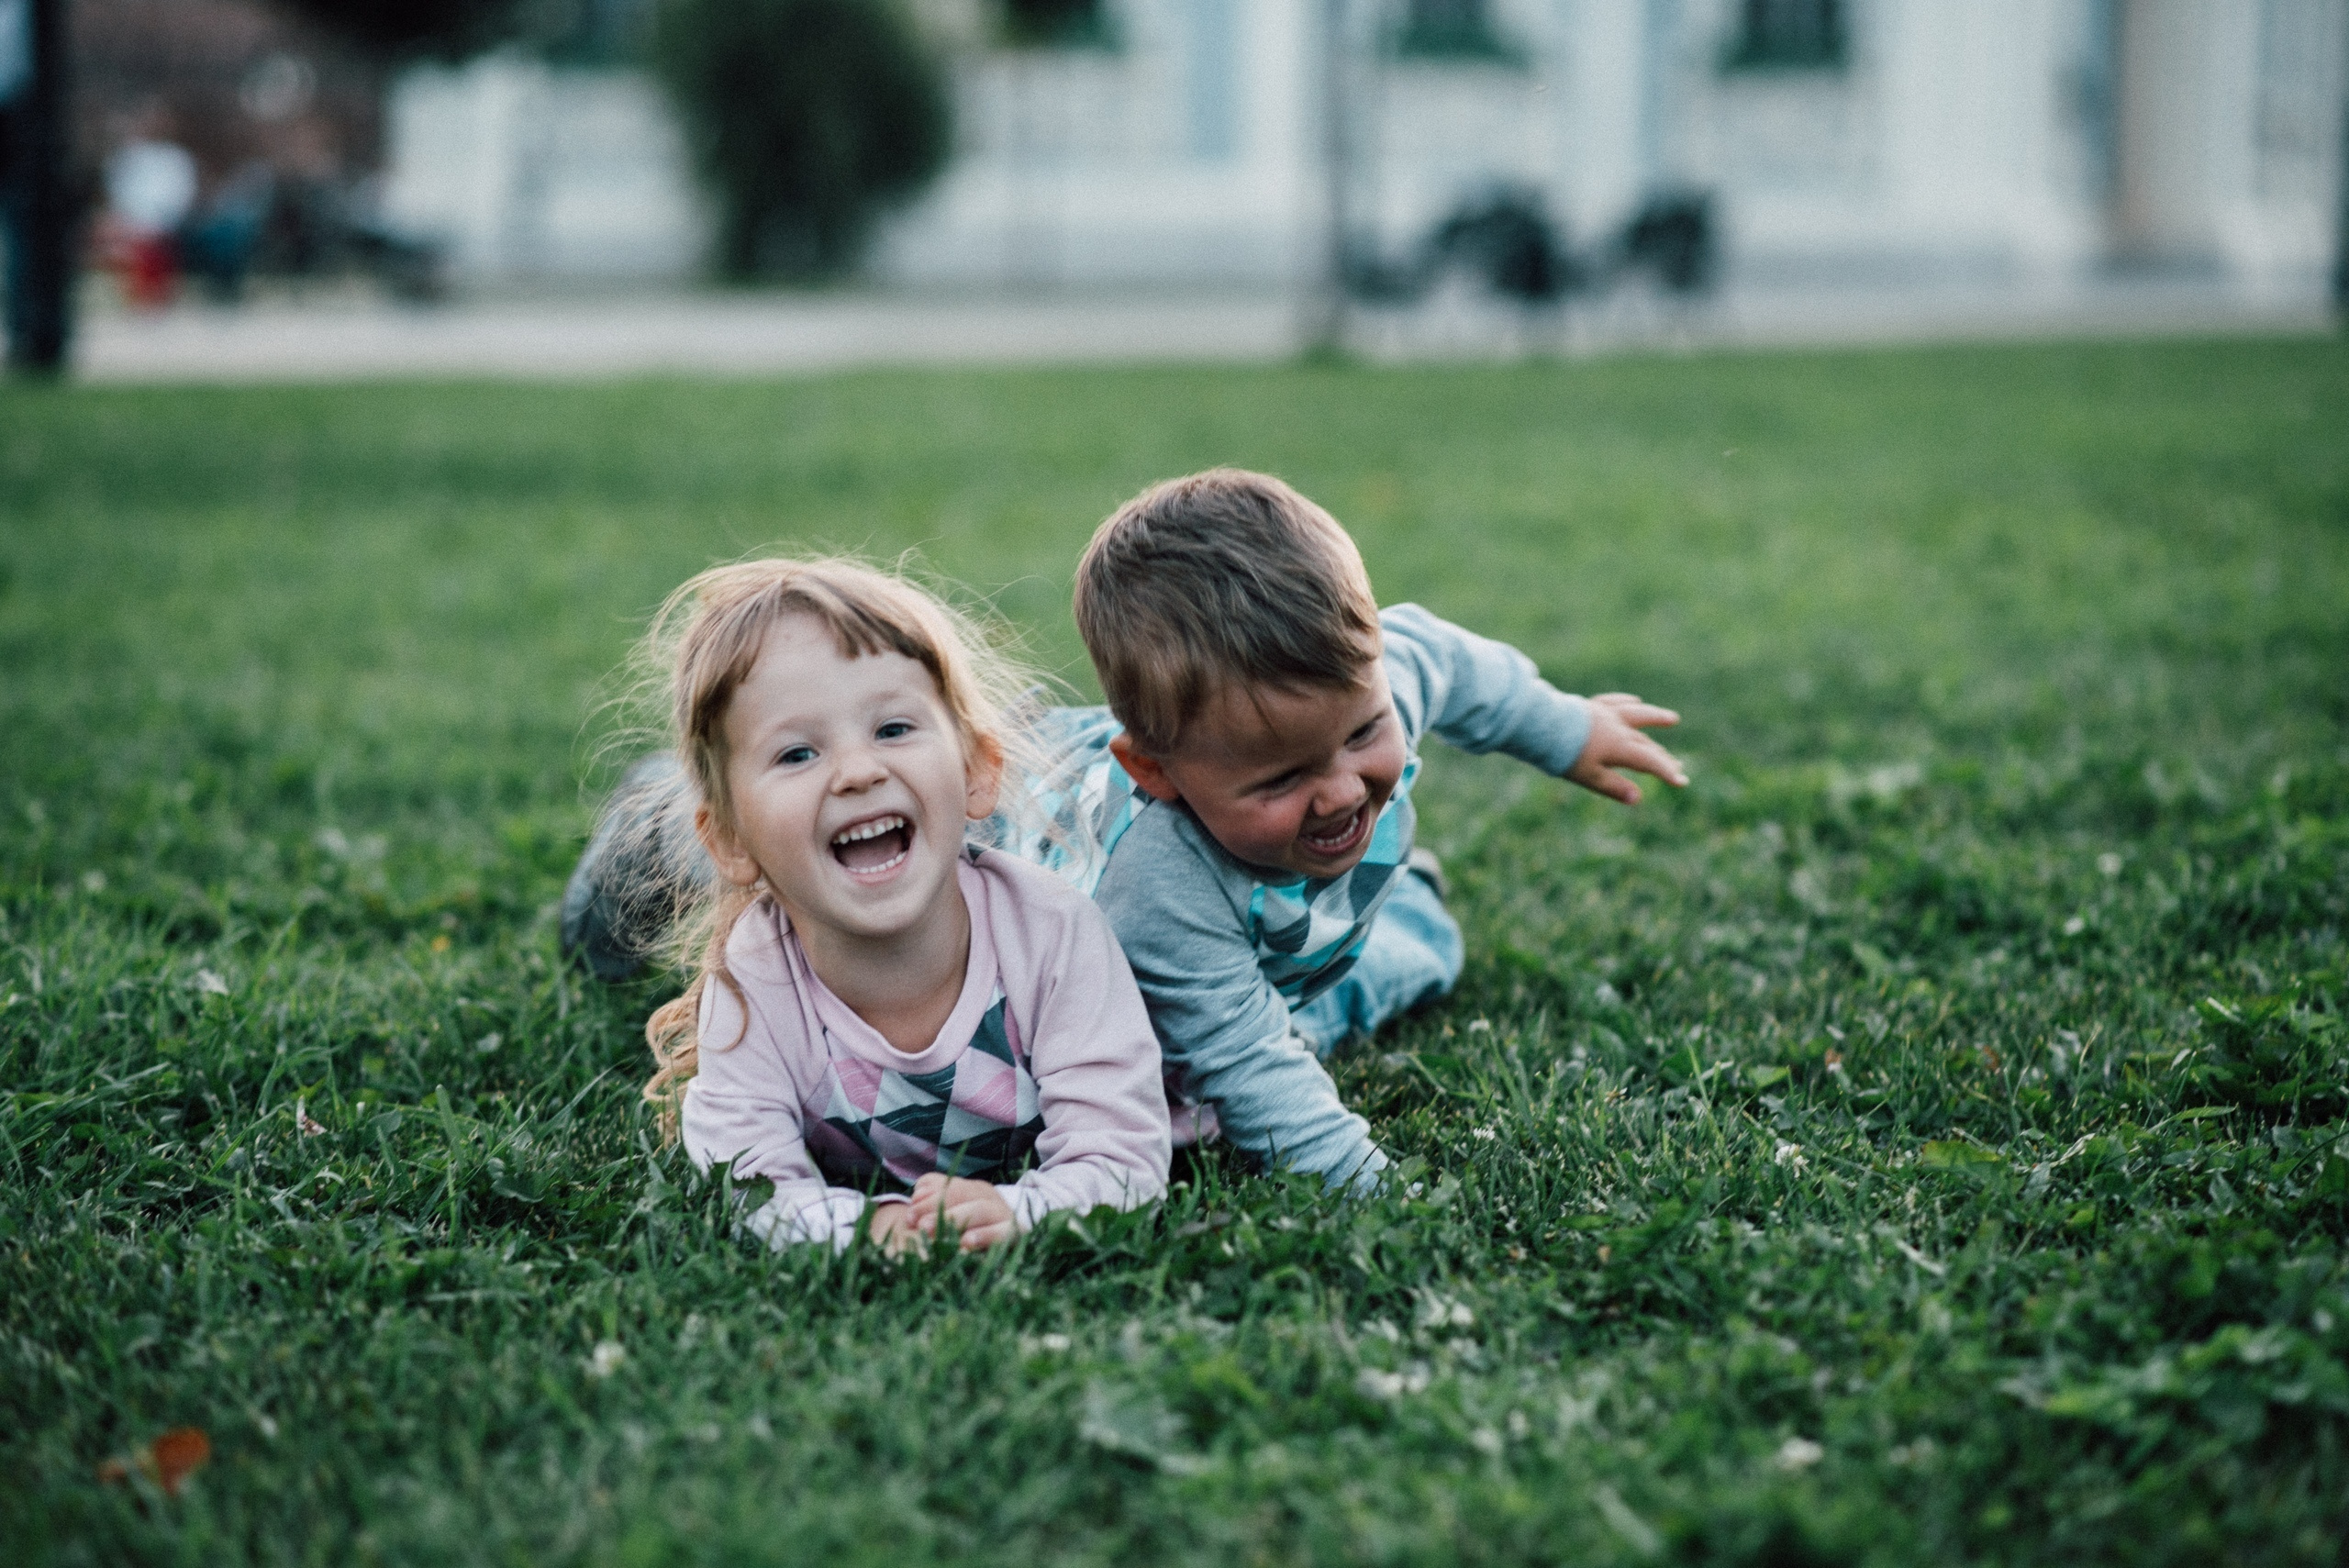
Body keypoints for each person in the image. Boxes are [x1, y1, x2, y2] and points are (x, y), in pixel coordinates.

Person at [1029, 468, 1687, 1191]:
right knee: (1211, 1073)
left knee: (1375, 956)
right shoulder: (1155, 882)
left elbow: (1446, 658)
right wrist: (1377, 1193)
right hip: (1152, 1011)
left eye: (1366, 730)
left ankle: (1401, 903)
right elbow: (1247, 1066)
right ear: (1156, 771)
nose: (1342, 790)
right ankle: (1412, 913)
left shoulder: (1372, 675)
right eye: (1281, 779)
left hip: (1275, 937)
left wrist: (1568, 728)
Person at [634, 558, 1170, 1252]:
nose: (858, 771)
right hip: (661, 862)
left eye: (892, 730)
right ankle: (636, 816)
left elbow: (1123, 1160)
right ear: (733, 839)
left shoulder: (1055, 935)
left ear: (976, 771)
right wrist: (870, 1230)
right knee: (620, 899)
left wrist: (1025, 1213)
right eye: (797, 753)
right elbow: (744, 1186)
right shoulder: (755, 983)